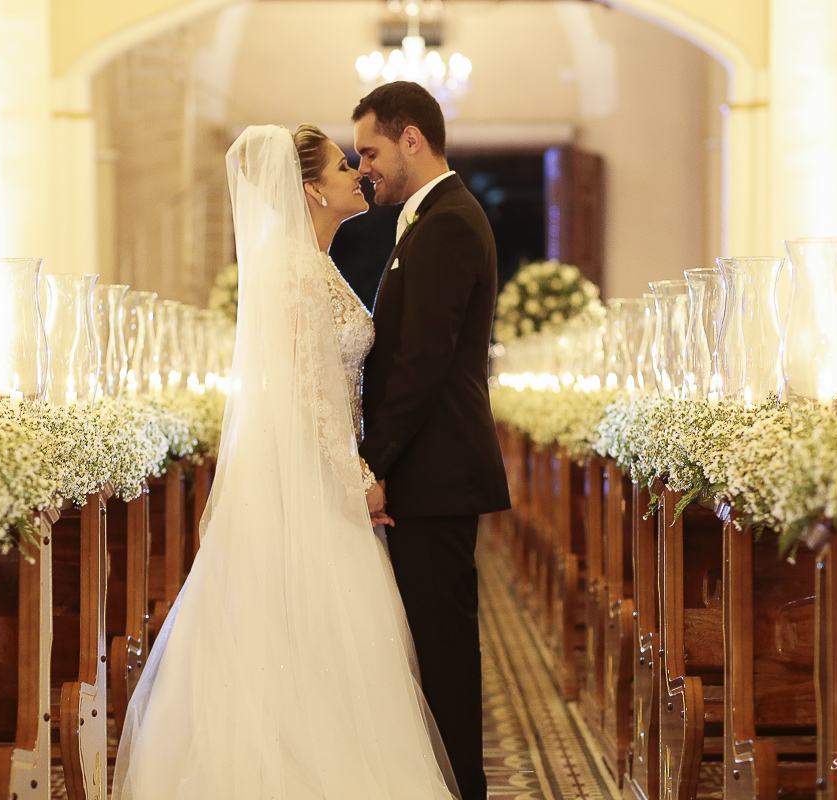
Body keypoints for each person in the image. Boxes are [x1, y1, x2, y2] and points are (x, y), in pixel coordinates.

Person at [111, 123, 460, 800]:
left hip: (314, 475)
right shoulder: (297, 270)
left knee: (321, 651)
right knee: (316, 644)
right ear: (311, 190)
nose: (358, 172)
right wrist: (356, 479)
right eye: (340, 165)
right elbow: (310, 393)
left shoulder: (312, 261)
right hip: (311, 484)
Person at [353, 81, 512, 800]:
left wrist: (371, 461)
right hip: (430, 469)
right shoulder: (426, 218)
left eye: (371, 151)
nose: (365, 168)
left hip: (435, 469)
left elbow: (423, 360)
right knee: (430, 642)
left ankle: (460, 789)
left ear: (410, 137)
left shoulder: (447, 220)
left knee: (442, 646)